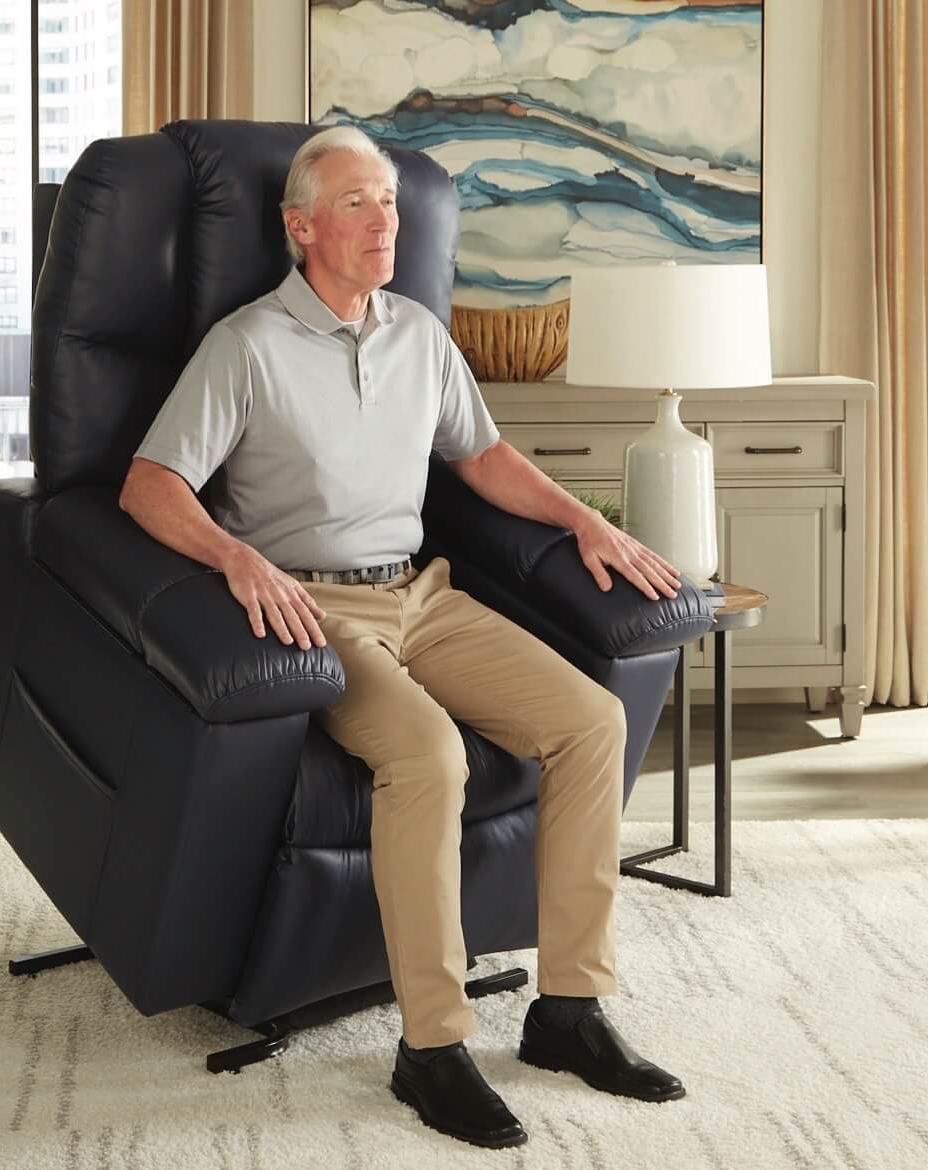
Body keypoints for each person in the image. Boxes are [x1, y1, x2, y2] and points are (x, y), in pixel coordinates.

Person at [118, 125, 686, 1151]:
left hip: (423, 597)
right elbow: (149, 484)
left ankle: (569, 1011)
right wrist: (234, 559)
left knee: (591, 722)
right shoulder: (245, 346)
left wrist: (582, 518)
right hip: (313, 610)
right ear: (300, 228)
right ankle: (431, 1047)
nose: (386, 217)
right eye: (356, 202)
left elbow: (484, 458)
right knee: (423, 755)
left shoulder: (420, 332)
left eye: (389, 200)